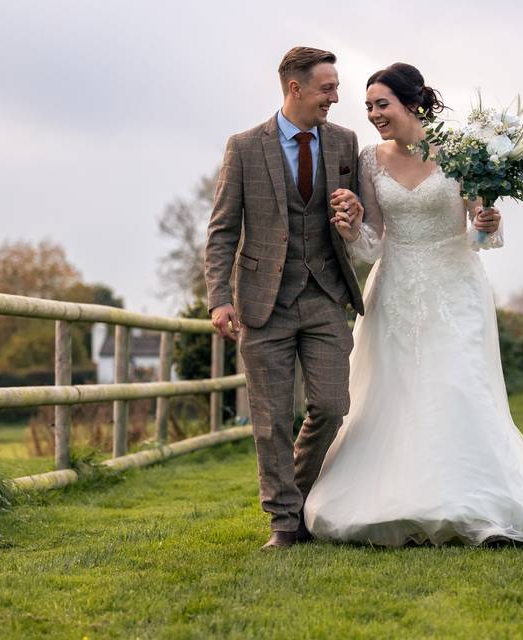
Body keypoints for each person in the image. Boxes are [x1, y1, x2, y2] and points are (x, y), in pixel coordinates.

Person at [303, 63, 523, 546]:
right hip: (394, 287)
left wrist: (487, 221)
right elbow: (373, 244)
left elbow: (481, 236)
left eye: (382, 104)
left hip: (455, 286)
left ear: (412, 103)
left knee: (456, 385)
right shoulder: (370, 160)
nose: (374, 114)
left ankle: (476, 500)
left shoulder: (460, 153)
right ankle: (392, 501)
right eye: (369, 106)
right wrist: (352, 230)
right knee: (392, 392)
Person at [204, 47, 365, 550]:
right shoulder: (245, 146)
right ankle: (284, 523)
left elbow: (356, 218)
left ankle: (295, 495)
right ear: (295, 88)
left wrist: (352, 214)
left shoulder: (344, 142)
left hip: (325, 294)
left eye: (336, 87)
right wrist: (218, 298)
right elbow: (223, 230)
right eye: (327, 88)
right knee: (271, 417)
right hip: (262, 301)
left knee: (332, 405)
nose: (336, 98)